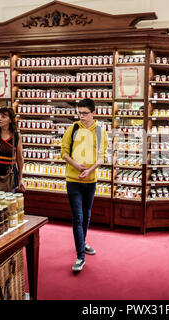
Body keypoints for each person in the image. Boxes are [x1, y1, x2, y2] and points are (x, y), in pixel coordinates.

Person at [60, 98, 108, 272]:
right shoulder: (72, 129)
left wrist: (89, 170)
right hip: (73, 180)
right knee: (78, 217)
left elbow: (102, 157)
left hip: (90, 180)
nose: (82, 116)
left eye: (85, 113)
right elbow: (63, 153)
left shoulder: (101, 132)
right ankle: (80, 256)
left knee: (87, 215)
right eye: (80, 113)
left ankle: (82, 242)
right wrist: (76, 165)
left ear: (94, 113)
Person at [0, 107, 25, 192]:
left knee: (9, 203)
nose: (0, 119)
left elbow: (19, 159)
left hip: (10, 175)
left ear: (10, 120)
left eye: (3, 116)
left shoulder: (16, 136)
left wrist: (20, 178)